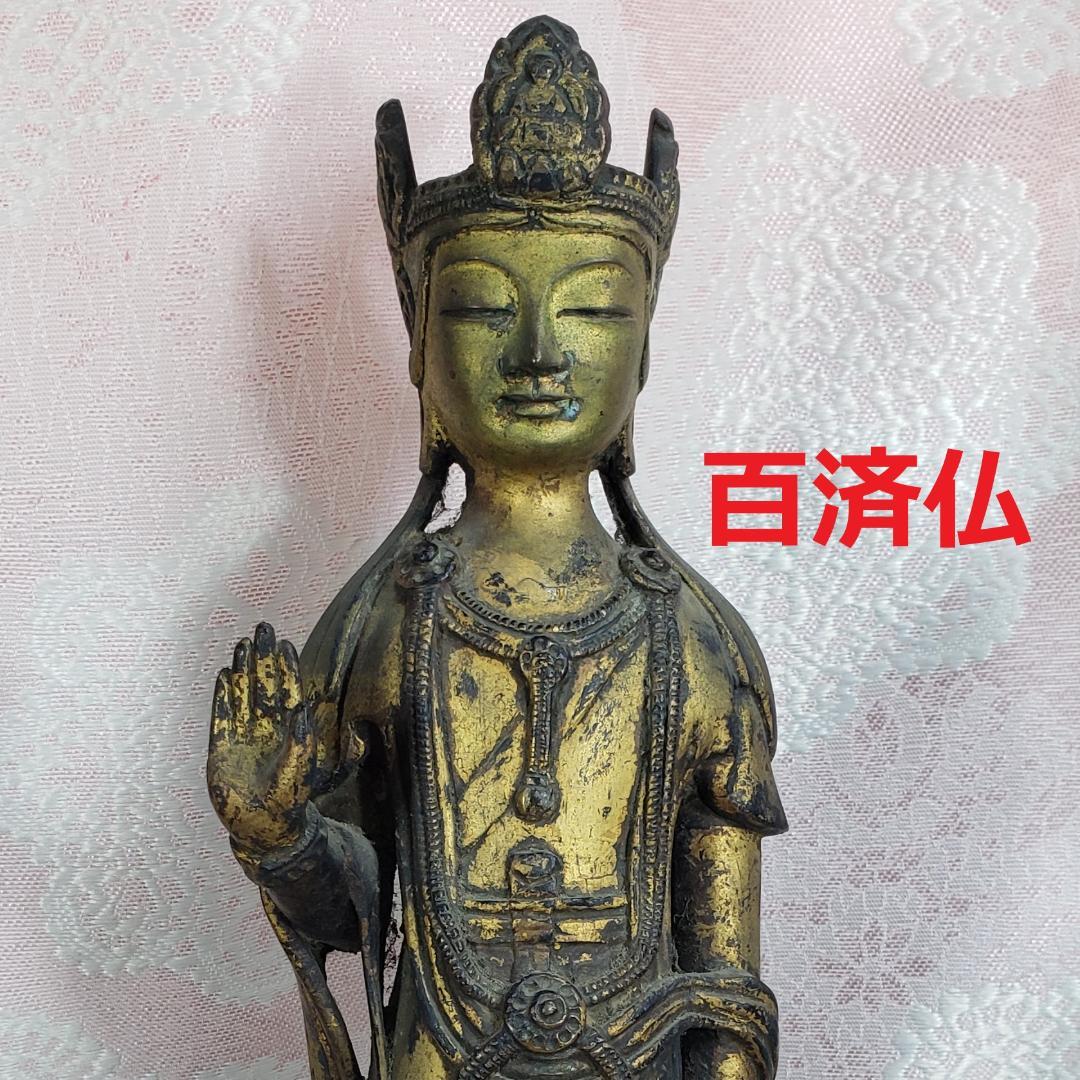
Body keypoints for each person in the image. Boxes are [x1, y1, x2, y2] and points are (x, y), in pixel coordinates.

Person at [206, 16, 786, 1080]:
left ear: (643, 345)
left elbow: (727, 986)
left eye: (592, 308)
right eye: (481, 308)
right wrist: (278, 832)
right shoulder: (385, 624)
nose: (537, 354)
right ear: (419, 339)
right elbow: (352, 913)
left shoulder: (696, 644)